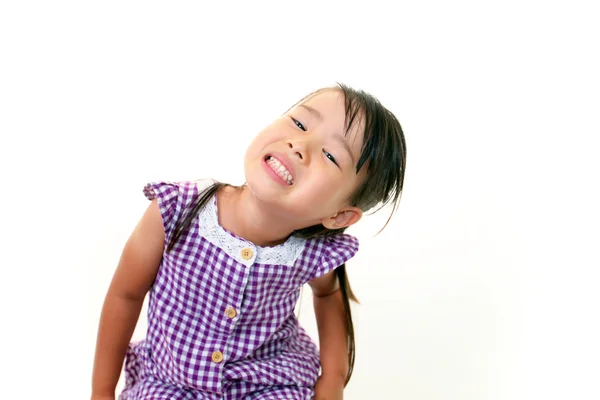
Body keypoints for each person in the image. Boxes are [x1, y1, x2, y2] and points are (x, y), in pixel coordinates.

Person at [91, 83, 407, 400]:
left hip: (269, 384)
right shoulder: (178, 209)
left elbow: (329, 295)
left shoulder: (310, 252)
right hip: (171, 382)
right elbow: (126, 295)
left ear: (339, 217)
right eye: (300, 123)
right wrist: (102, 392)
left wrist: (333, 380)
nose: (300, 144)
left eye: (330, 155)